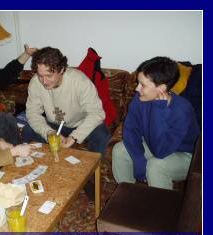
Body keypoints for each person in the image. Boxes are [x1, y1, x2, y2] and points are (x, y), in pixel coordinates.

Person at [112, 56, 200, 190]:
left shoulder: (182, 110)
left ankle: (160, 207)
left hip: (187, 156)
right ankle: (127, 194)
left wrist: (160, 110)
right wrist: (139, 161)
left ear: (162, 88)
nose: (137, 88)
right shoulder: (140, 99)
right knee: (120, 150)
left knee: (156, 165)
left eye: (143, 85)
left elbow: (160, 151)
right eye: (138, 82)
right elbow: (131, 131)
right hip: (155, 145)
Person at [22, 46, 110, 155]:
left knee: (101, 134)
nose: (44, 81)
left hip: (81, 124)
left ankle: (92, 171)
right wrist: (49, 133)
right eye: (40, 75)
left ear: (62, 70)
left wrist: (74, 137)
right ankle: (43, 164)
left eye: (49, 75)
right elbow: (33, 114)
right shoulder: (35, 83)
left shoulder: (80, 81)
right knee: (28, 130)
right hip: (54, 125)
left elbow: (97, 113)